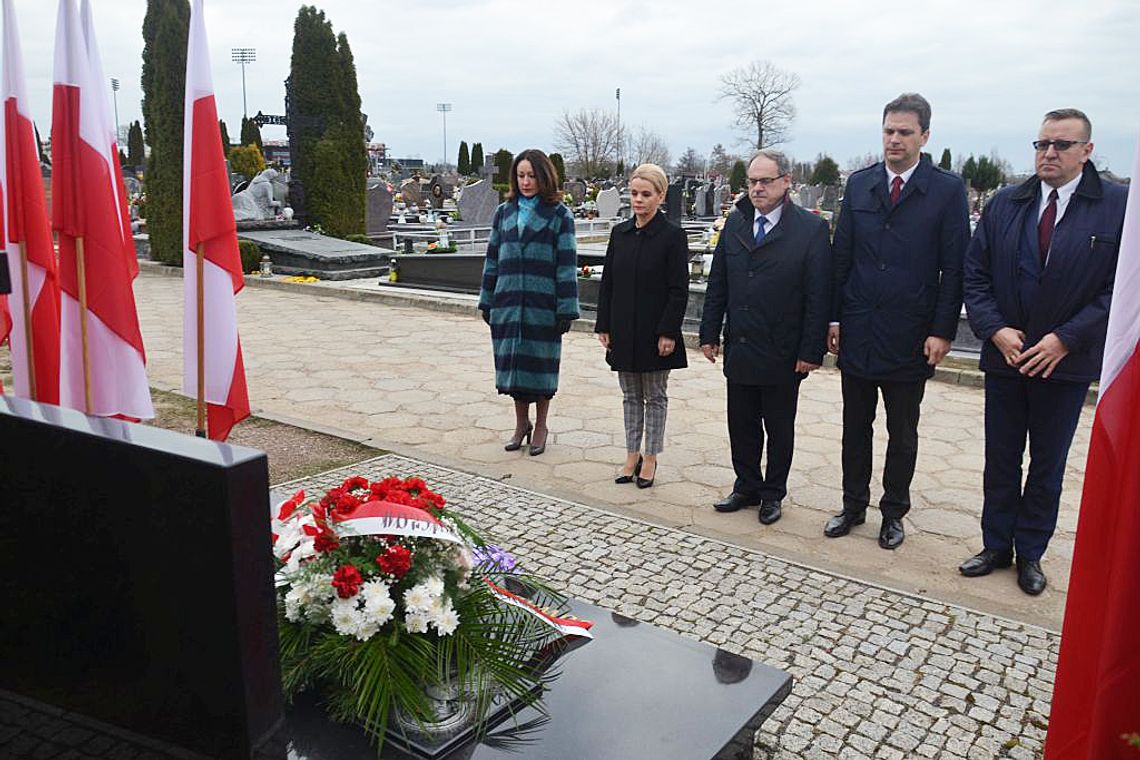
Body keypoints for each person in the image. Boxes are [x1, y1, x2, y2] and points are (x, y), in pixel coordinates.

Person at [959, 109, 1126, 595]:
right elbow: (976, 273)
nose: (1048, 153)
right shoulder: (1008, 202)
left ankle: (1030, 552)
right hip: (1007, 356)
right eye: (1041, 144)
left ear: (1087, 151)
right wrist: (994, 329)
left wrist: (1065, 338)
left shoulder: (1116, 206)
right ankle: (995, 544)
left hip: (1064, 361)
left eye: (1061, 145)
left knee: (1048, 463)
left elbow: (1120, 289)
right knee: (1001, 457)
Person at [825, 93, 969, 549]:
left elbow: (955, 267)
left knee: (903, 431)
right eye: (888, 130)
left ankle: (893, 512)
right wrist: (833, 318)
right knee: (855, 426)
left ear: (924, 136)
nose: (894, 140)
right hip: (860, 327)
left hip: (910, 333)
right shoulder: (861, 184)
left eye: (905, 132)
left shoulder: (946, 190)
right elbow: (841, 256)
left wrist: (942, 329)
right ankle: (852, 505)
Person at [700, 150, 831, 524]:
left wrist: (811, 350)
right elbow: (718, 283)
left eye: (765, 181)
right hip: (741, 343)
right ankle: (746, 485)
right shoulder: (736, 223)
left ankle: (773, 492)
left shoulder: (809, 229)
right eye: (752, 182)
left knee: (777, 426)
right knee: (740, 422)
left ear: (785, 182)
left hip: (783, 348)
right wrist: (709, 331)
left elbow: (818, 294)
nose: (757, 188)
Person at [478, 149, 579, 456]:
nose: (526, 181)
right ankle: (521, 424)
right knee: (515, 366)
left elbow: (566, 263)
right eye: (521, 175)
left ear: (544, 176)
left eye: (532, 175)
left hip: (542, 304)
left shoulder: (560, 215)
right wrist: (487, 299)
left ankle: (542, 425)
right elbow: (492, 258)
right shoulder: (504, 213)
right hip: (508, 302)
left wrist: (566, 308)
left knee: (541, 367)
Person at [595, 163, 689, 489]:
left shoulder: (673, 237)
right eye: (634, 194)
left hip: (655, 331)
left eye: (646, 194)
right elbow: (608, 283)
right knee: (630, 396)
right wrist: (603, 324)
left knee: (655, 396)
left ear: (660, 196)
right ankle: (631, 453)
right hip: (623, 328)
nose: (638, 200)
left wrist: (668, 331)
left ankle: (651, 456)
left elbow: (679, 290)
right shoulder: (619, 233)